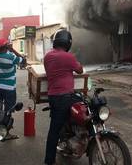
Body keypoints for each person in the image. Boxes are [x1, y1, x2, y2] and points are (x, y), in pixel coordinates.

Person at [44, 28, 83, 165]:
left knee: (58, 124)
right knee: (84, 109)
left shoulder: (47, 56)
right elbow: (80, 70)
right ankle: (49, 161)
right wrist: (77, 62)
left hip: (53, 96)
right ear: (68, 43)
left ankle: (69, 137)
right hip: (64, 97)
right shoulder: (69, 57)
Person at [0, 38, 25, 139]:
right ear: (6, 46)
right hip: (9, 89)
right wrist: (13, 50)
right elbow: (23, 60)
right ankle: (6, 134)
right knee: (8, 111)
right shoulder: (11, 57)